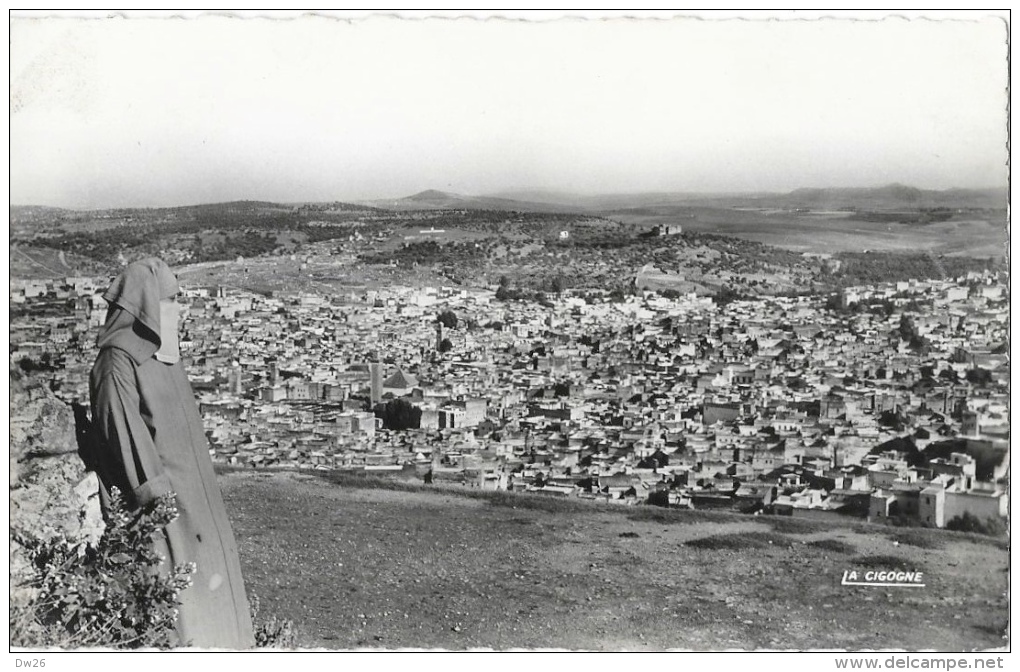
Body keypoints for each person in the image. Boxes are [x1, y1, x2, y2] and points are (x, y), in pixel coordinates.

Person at [89, 258, 255, 649]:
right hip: (169, 516)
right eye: (168, 301)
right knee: (185, 618)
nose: (177, 310)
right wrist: (163, 516)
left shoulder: (164, 359)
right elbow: (134, 455)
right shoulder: (117, 365)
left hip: (198, 507)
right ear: (143, 307)